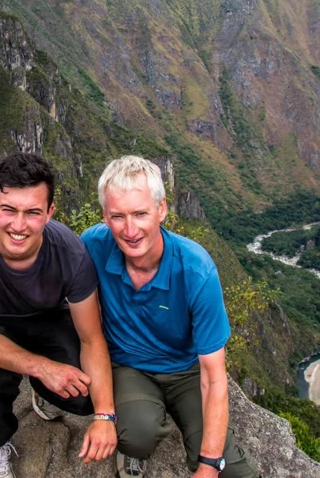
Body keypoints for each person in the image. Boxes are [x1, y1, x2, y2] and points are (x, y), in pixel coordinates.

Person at [80, 156, 259, 478]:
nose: (130, 229)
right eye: (118, 216)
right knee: (137, 436)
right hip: (128, 366)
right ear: (105, 217)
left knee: (232, 472)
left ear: (161, 210)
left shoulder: (195, 270)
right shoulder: (92, 246)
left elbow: (214, 376)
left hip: (186, 370)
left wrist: (208, 465)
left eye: (140, 214)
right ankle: (135, 446)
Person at [0, 152, 117, 478]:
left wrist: (105, 416)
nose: (19, 225)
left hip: (46, 318)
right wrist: (42, 367)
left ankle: (42, 393)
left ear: (50, 213)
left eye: (33, 212)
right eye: (8, 210)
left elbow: (91, 338)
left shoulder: (71, 254)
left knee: (85, 393)